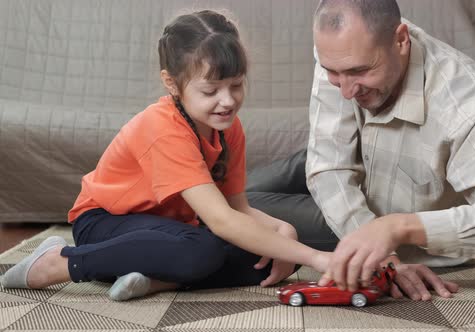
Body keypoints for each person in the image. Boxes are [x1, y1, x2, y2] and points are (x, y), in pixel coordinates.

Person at [0, 10, 330, 301]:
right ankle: (62, 261)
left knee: (277, 255)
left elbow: (236, 208)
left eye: (236, 85)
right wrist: (318, 258)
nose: (227, 101)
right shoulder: (162, 127)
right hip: (103, 222)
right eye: (210, 91)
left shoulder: (228, 128)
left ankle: (157, 279)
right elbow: (221, 221)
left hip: (173, 230)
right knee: (205, 249)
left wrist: (283, 229)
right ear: (172, 84)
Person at [248, 0, 475, 301]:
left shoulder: (467, 104)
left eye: (360, 71)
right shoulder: (341, 53)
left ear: (401, 40)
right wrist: (382, 256)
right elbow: (328, 167)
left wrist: (398, 229)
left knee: (234, 208)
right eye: (333, 72)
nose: (345, 92)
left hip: (376, 211)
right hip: (344, 164)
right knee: (217, 194)